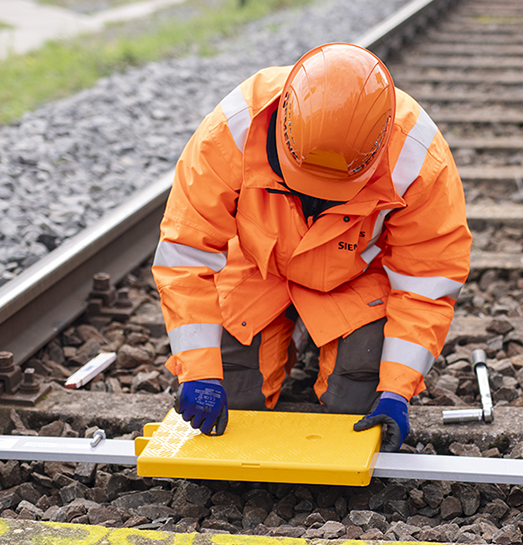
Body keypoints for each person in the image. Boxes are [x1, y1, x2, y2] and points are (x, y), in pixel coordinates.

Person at [152, 43, 471, 452]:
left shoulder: (419, 157)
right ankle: (295, 332)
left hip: (351, 280)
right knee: (233, 396)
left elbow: (428, 281)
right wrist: (198, 371)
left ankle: (309, 334)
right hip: (259, 271)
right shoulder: (233, 128)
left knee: (356, 411)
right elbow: (186, 253)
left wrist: (396, 390)